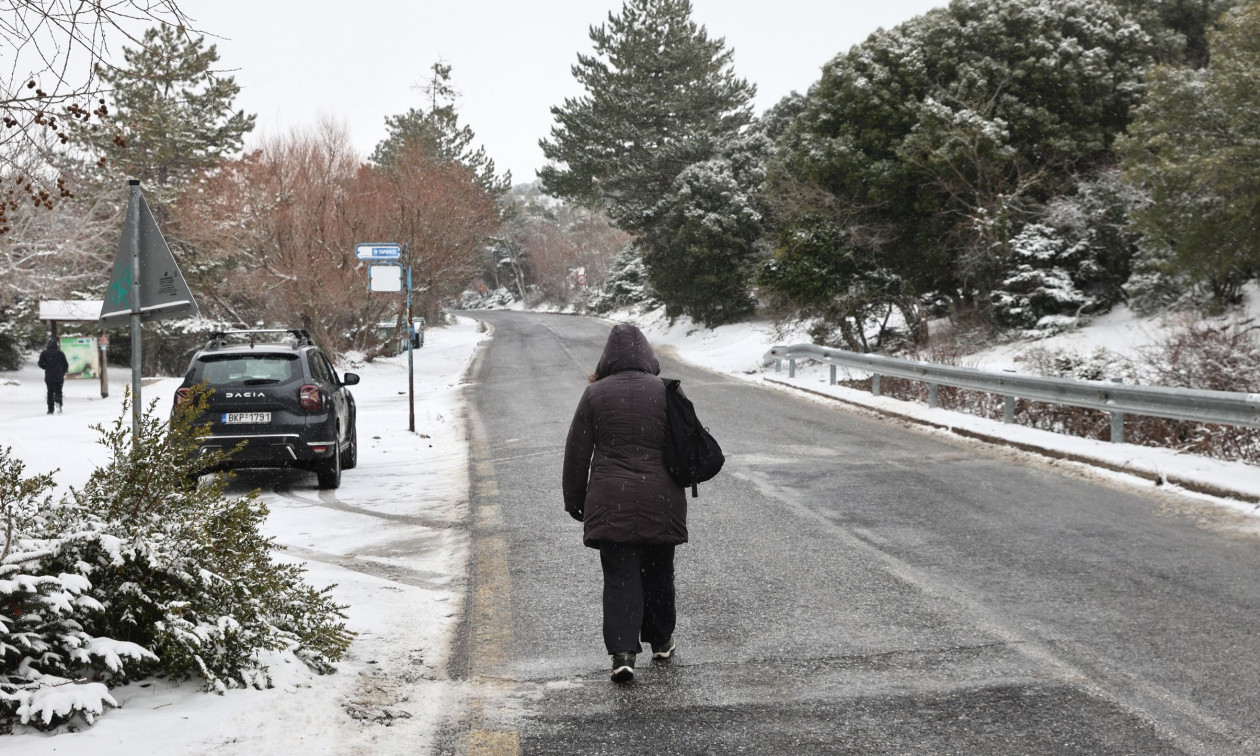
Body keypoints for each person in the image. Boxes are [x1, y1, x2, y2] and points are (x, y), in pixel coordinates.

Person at [562, 323, 687, 683]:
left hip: (610, 497)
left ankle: (622, 653)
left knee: (620, 575)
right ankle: (662, 641)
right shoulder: (665, 392)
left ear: (608, 358)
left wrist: (575, 499)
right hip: (661, 497)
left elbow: (577, 453)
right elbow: (683, 445)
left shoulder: (595, 394)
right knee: (660, 574)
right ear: (648, 355)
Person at [37, 338, 69, 415]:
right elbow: (66, 364)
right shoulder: (60, 353)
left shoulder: (44, 353)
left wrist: (46, 367)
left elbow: (40, 364)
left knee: (50, 392)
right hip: (59, 376)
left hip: (49, 376)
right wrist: (63, 371)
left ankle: (50, 409)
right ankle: (58, 403)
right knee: (58, 391)